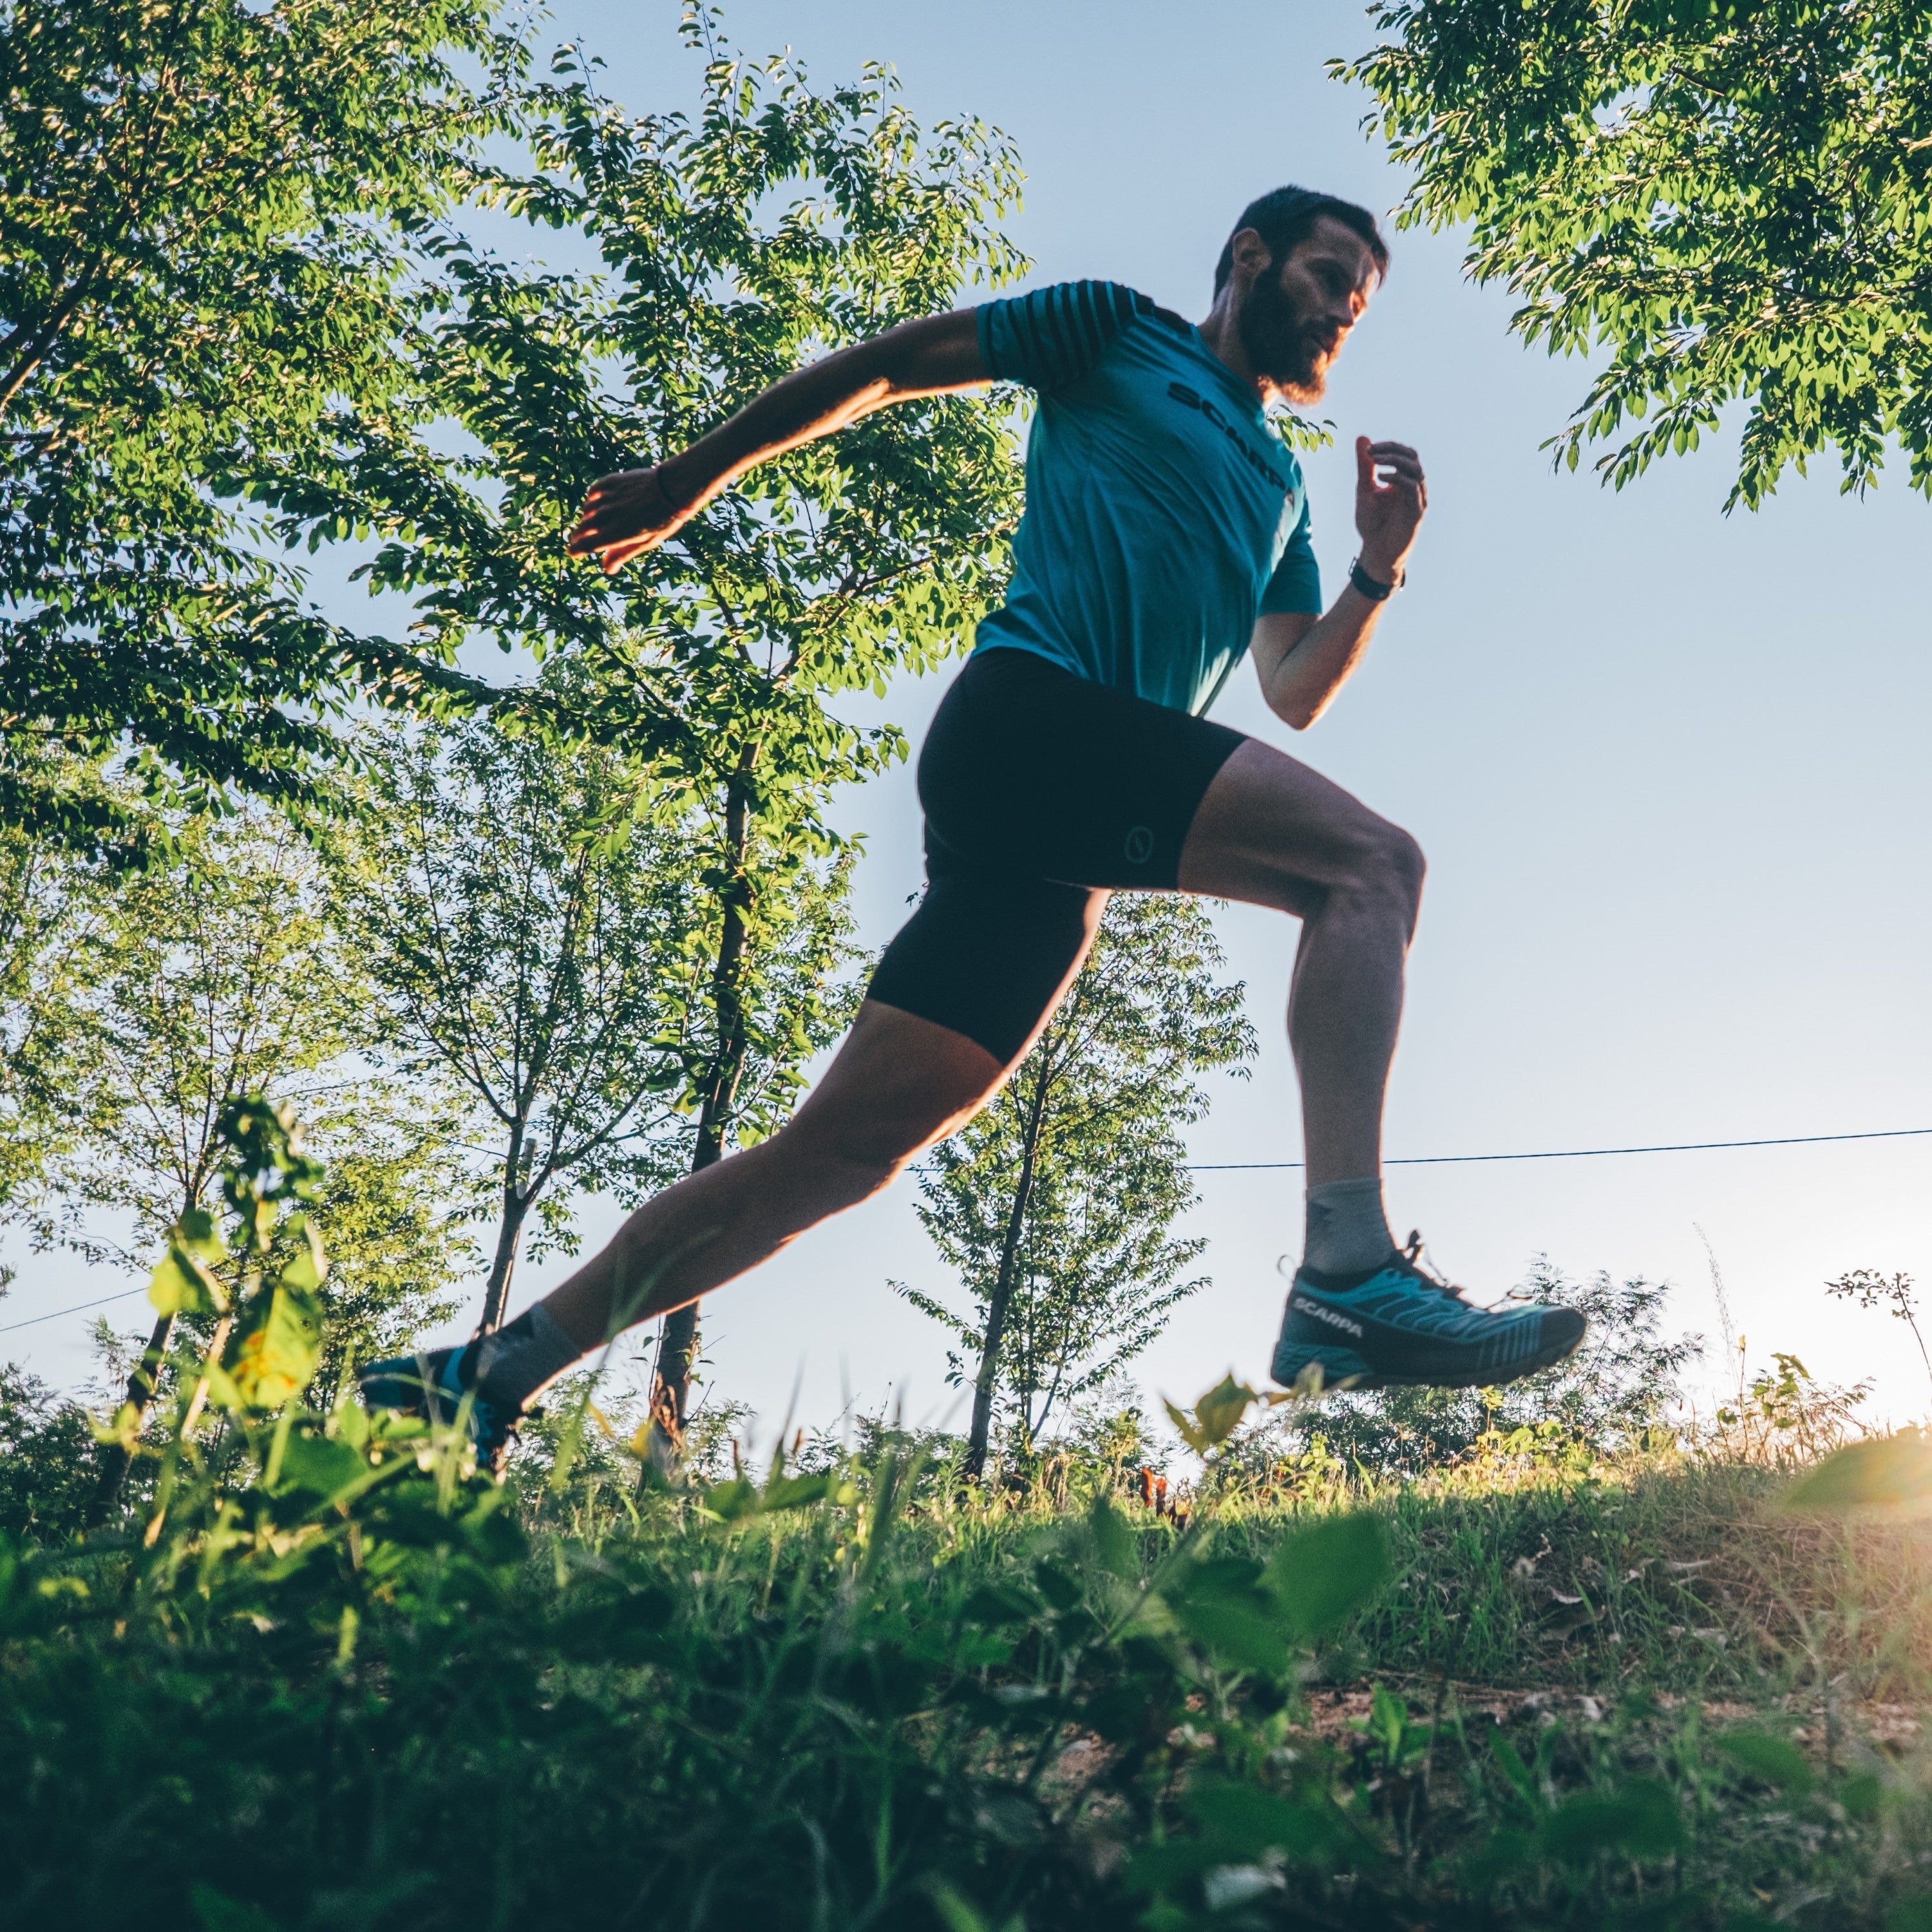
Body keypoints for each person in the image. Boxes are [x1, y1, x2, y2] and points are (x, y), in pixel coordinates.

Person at [363, 185, 1585, 1468]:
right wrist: (686, 480)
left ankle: (485, 1375)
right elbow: (890, 370)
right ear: (1248, 255)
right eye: (1330, 276)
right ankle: (1346, 1264)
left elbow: (1293, 686)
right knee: (1373, 867)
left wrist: (1377, 569)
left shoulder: (1282, 481)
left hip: (1058, 848)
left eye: (1362, 302)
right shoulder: (1114, 330)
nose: (1343, 310)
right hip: (1028, 722)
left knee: (841, 1153)